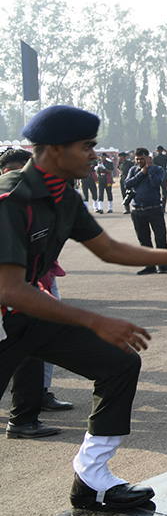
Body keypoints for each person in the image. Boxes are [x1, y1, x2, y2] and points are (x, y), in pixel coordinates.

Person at [0, 105, 167, 509]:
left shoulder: (63, 196)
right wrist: (95, 320)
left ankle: (92, 479)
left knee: (118, 363)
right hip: (9, 313)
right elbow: (10, 289)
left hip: (26, 314)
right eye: (86, 146)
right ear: (55, 150)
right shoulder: (11, 198)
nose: (94, 155)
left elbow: (107, 248)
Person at [1, 148, 74, 440]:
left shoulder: (35, 201)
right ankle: (23, 417)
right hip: (12, 297)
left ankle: (25, 415)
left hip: (28, 291)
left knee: (30, 352)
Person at [124, 148, 167, 275]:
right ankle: (149, 265)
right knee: (144, 239)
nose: (139, 161)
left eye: (142, 159)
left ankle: (163, 265)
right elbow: (127, 184)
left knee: (160, 238)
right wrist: (142, 173)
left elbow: (156, 183)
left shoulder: (158, 169)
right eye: (137, 159)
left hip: (154, 209)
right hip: (137, 210)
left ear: (148, 158)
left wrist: (150, 168)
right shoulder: (133, 170)